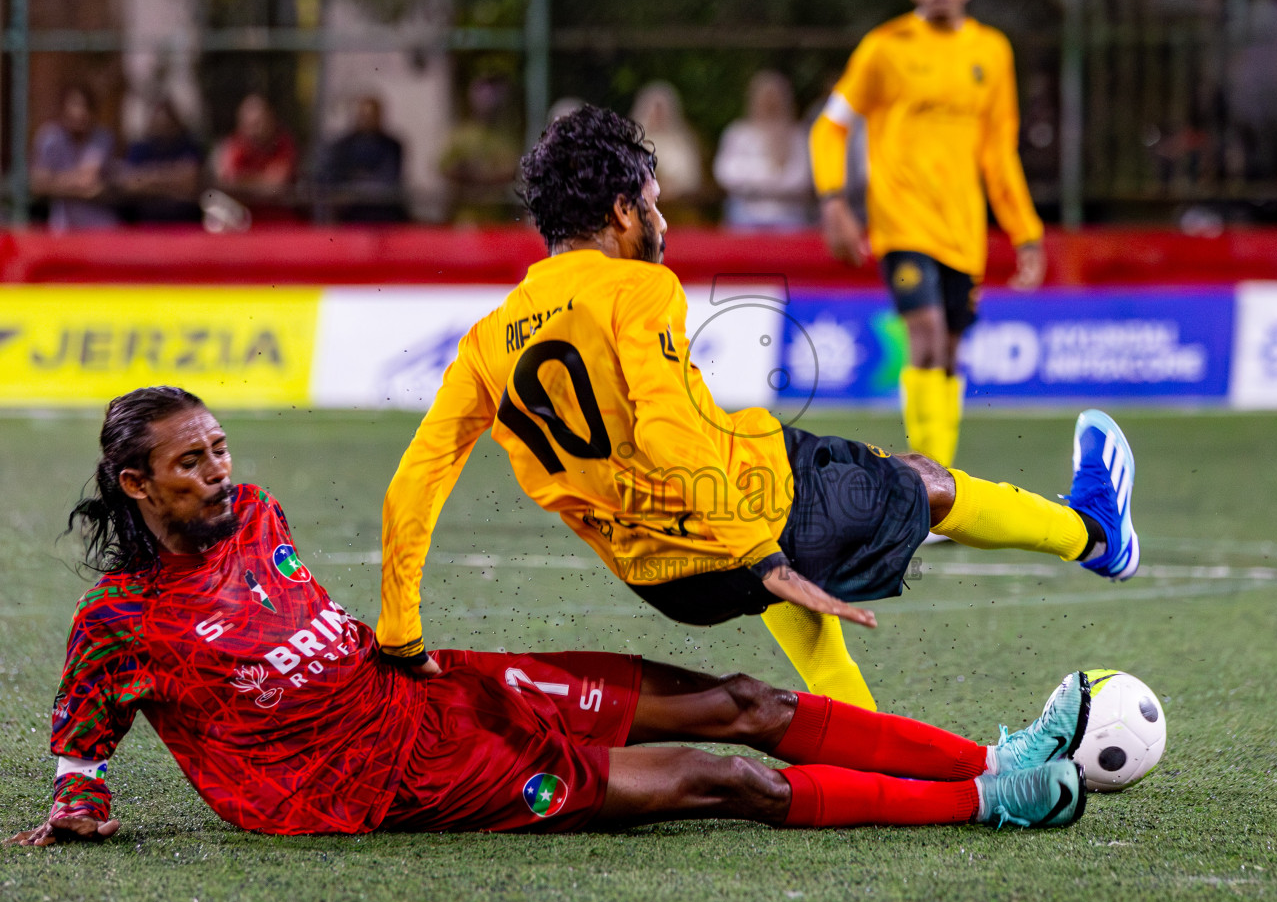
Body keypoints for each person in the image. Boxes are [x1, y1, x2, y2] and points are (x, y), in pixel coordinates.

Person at [6, 386, 1094, 845]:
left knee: (742, 700)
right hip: (383, 780)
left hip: (422, 686)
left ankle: (984, 754)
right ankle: (992, 801)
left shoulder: (259, 516)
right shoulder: (118, 623)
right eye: (191, 462)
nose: (219, 470)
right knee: (726, 778)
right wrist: (79, 801)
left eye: (220, 447)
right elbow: (80, 745)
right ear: (137, 487)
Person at [376, 105, 1139, 718]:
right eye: (653, 202)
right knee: (926, 481)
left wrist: (402, 633)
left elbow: (414, 483)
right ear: (620, 213)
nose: (661, 218)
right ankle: (1096, 534)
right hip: (747, 516)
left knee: (801, 612)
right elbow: (668, 427)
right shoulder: (638, 290)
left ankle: (866, 743)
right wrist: (760, 555)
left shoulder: (484, 344)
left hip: (663, 580)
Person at [810, 0, 1047, 471]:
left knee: (951, 355)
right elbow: (829, 126)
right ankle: (927, 480)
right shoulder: (884, 49)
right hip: (902, 222)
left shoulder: (992, 51)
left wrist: (1025, 231)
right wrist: (834, 200)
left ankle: (941, 482)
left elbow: (999, 154)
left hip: (963, 230)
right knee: (928, 338)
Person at [714, 71, 814, 229]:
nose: (769, 103)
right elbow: (725, 173)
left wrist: (759, 179)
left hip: (788, 215)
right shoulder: (738, 133)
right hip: (744, 213)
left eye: (775, 97)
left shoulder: (798, 136)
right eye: (764, 97)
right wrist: (770, 174)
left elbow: (802, 179)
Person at [31, 85, 118, 231]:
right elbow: (38, 181)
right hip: (61, 225)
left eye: (85, 106)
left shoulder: (102, 137)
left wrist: (54, 180)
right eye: (75, 105)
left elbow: (87, 180)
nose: (80, 112)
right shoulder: (50, 136)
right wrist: (71, 181)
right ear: (63, 108)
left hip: (99, 226)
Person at [440, 76, 520, 225]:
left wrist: (479, 176)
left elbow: (510, 171)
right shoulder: (461, 134)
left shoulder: (504, 136)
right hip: (466, 217)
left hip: (497, 217)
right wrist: (469, 173)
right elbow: (444, 167)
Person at [316, 95, 407, 223]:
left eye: (371, 116)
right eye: (363, 115)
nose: (367, 120)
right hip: (349, 213)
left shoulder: (392, 146)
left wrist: (356, 185)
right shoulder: (343, 145)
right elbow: (333, 178)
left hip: (381, 212)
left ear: (379, 117)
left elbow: (388, 180)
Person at [211, 94, 299, 222]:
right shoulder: (235, 146)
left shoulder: (283, 143)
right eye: (251, 124)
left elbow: (277, 184)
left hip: (280, 220)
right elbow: (228, 180)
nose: (256, 129)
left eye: (259, 122)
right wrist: (262, 181)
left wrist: (244, 181)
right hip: (242, 221)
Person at [116, 100, 203, 224]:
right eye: (159, 122)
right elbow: (130, 184)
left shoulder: (187, 147)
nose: (163, 126)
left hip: (181, 213)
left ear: (176, 123)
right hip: (146, 213)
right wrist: (171, 182)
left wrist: (150, 179)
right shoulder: (139, 148)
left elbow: (190, 183)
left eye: (168, 123)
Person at [630, 81, 706, 221]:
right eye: (654, 108)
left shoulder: (683, 141)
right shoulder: (633, 140)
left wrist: (672, 188)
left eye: (662, 108)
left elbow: (692, 178)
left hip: (679, 209)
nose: (658, 114)